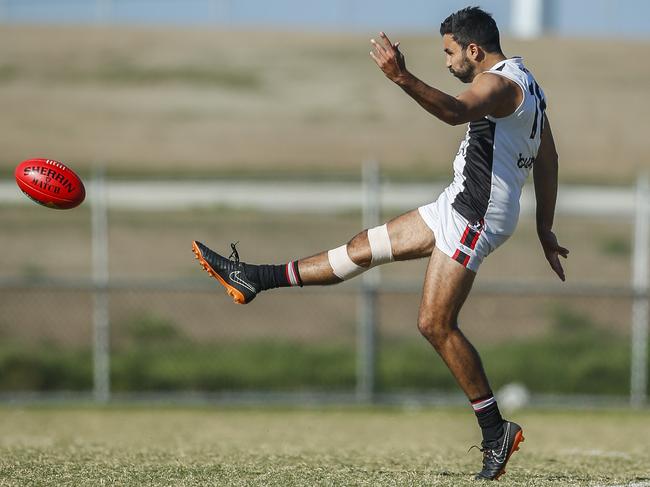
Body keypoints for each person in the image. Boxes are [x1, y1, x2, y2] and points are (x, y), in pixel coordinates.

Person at [192, 6, 568, 481]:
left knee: (434, 323)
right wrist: (544, 229)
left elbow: (455, 112)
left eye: (451, 54)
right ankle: (255, 279)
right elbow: (549, 156)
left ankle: (495, 430)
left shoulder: (495, 85)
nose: (448, 62)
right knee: (361, 249)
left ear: (475, 50)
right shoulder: (527, 80)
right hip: (458, 204)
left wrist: (402, 77)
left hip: (474, 214)